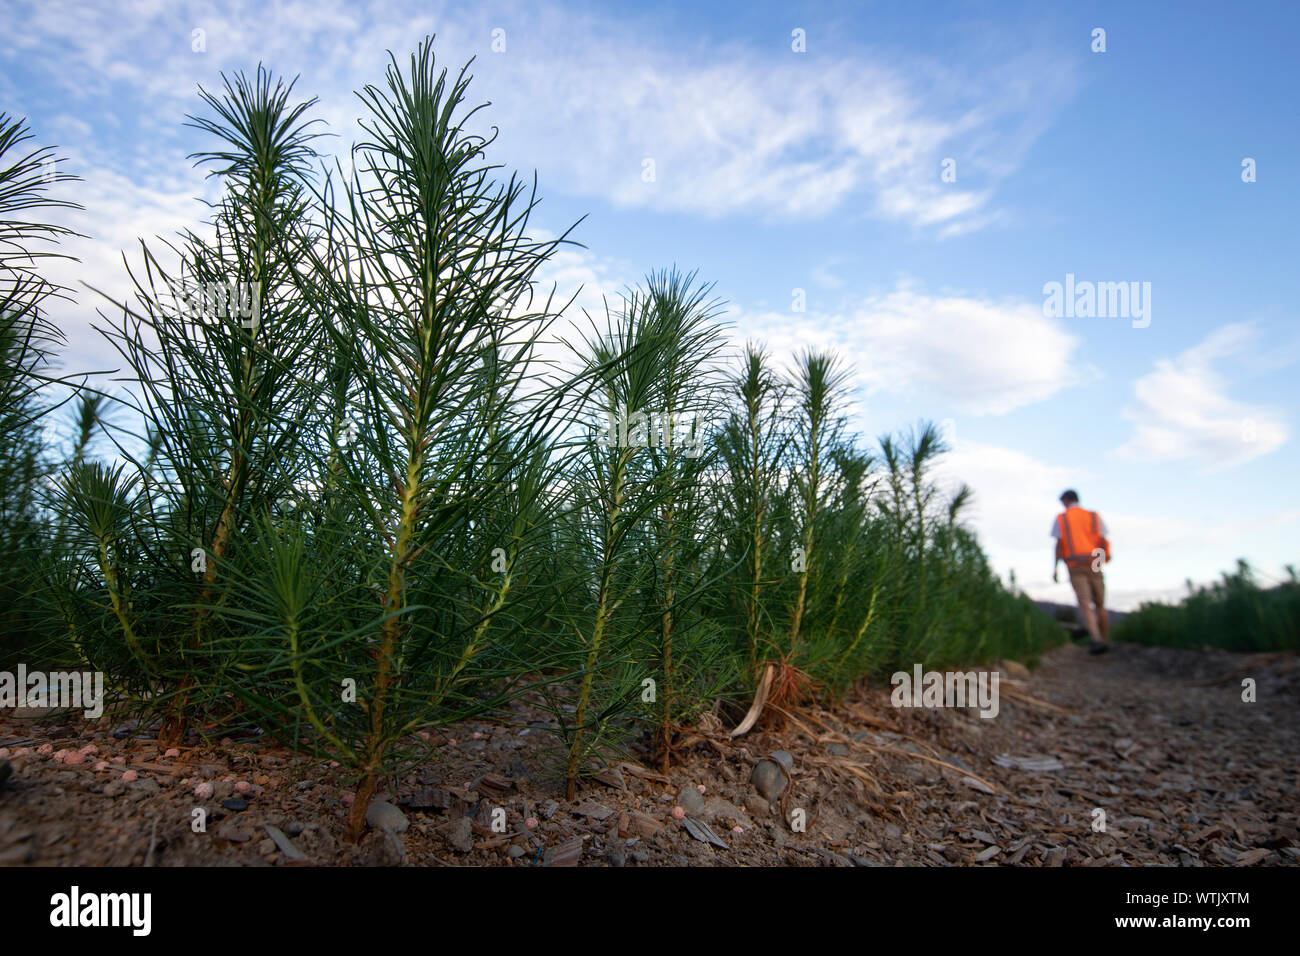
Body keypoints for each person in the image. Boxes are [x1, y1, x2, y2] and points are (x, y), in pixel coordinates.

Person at [1051, 489, 1112, 654]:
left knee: (1085, 604)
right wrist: (1100, 561)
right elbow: (1103, 540)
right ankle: (1105, 640)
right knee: (1100, 604)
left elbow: (1059, 545)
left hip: (1075, 565)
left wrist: (1055, 568)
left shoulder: (1062, 518)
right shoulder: (1093, 516)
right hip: (1094, 563)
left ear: (1066, 500)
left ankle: (1097, 639)